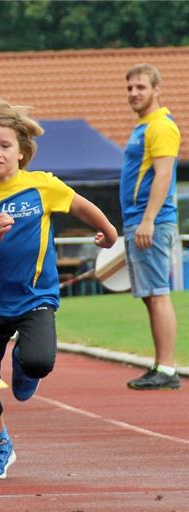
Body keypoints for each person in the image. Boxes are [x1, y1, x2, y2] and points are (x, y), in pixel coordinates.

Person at [0, 97, 117, 479]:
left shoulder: (41, 185)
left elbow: (80, 206)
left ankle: (22, 360)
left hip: (35, 298)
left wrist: (108, 229)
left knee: (38, 362)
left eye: (4, 145)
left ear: (21, 150)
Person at [120, 64, 182, 391]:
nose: (134, 93)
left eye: (141, 87)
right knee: (150, 296)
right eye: (130, 88)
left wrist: (147, 220)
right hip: (138, 221)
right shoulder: (143, 126)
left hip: (151, 222)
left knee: (158, 294)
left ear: (157, 90)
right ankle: (161, 364)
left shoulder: (160, 126)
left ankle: (168, 369)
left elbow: (164, 175)